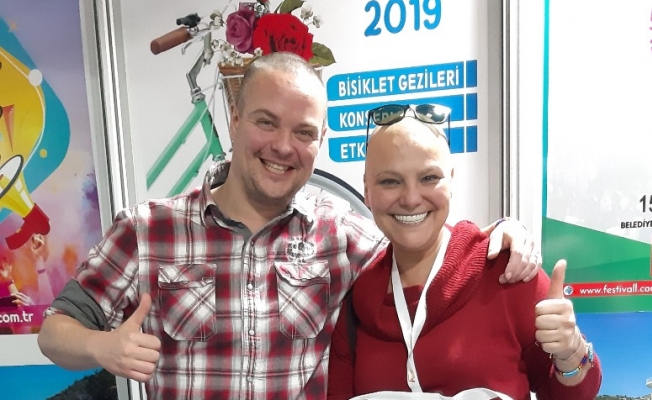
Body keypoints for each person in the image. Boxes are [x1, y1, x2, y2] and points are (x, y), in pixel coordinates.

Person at [38, 52, 541, 399]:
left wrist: (498, 235)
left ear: (320, 140)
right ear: (235, 118)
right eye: (266, 122)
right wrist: (102, 347)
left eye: (303, 132)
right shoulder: (147, 231)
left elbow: (419, 238)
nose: (283, 146)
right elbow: (55, 330)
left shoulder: (341, 235)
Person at [327, 108, 602, 400]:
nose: (410, 198)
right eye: (390, 181)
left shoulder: (507, 271)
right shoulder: (357, 303)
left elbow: (573, 393)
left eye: (429, 177)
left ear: (451, 181)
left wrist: (571, 351)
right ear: (367, 190)